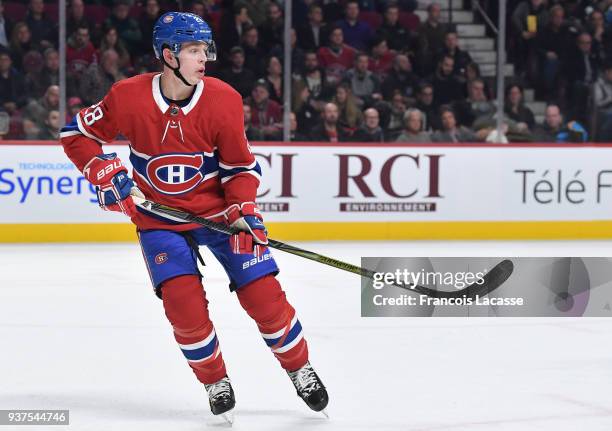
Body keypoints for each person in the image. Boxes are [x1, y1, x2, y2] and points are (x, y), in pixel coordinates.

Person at [59, 12, 328, 421]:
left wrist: (244, 213)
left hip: (219, 216)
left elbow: (239, 167)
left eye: (205, 49)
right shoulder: (127, 96)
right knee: (183, 308)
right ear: (168, 55)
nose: (205, 58)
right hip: (158, 220)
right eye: (194, 50)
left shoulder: (223, 99)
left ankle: (300, 368)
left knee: (265, 299)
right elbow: (75, 135)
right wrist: (99, 169)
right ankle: (214, 380)